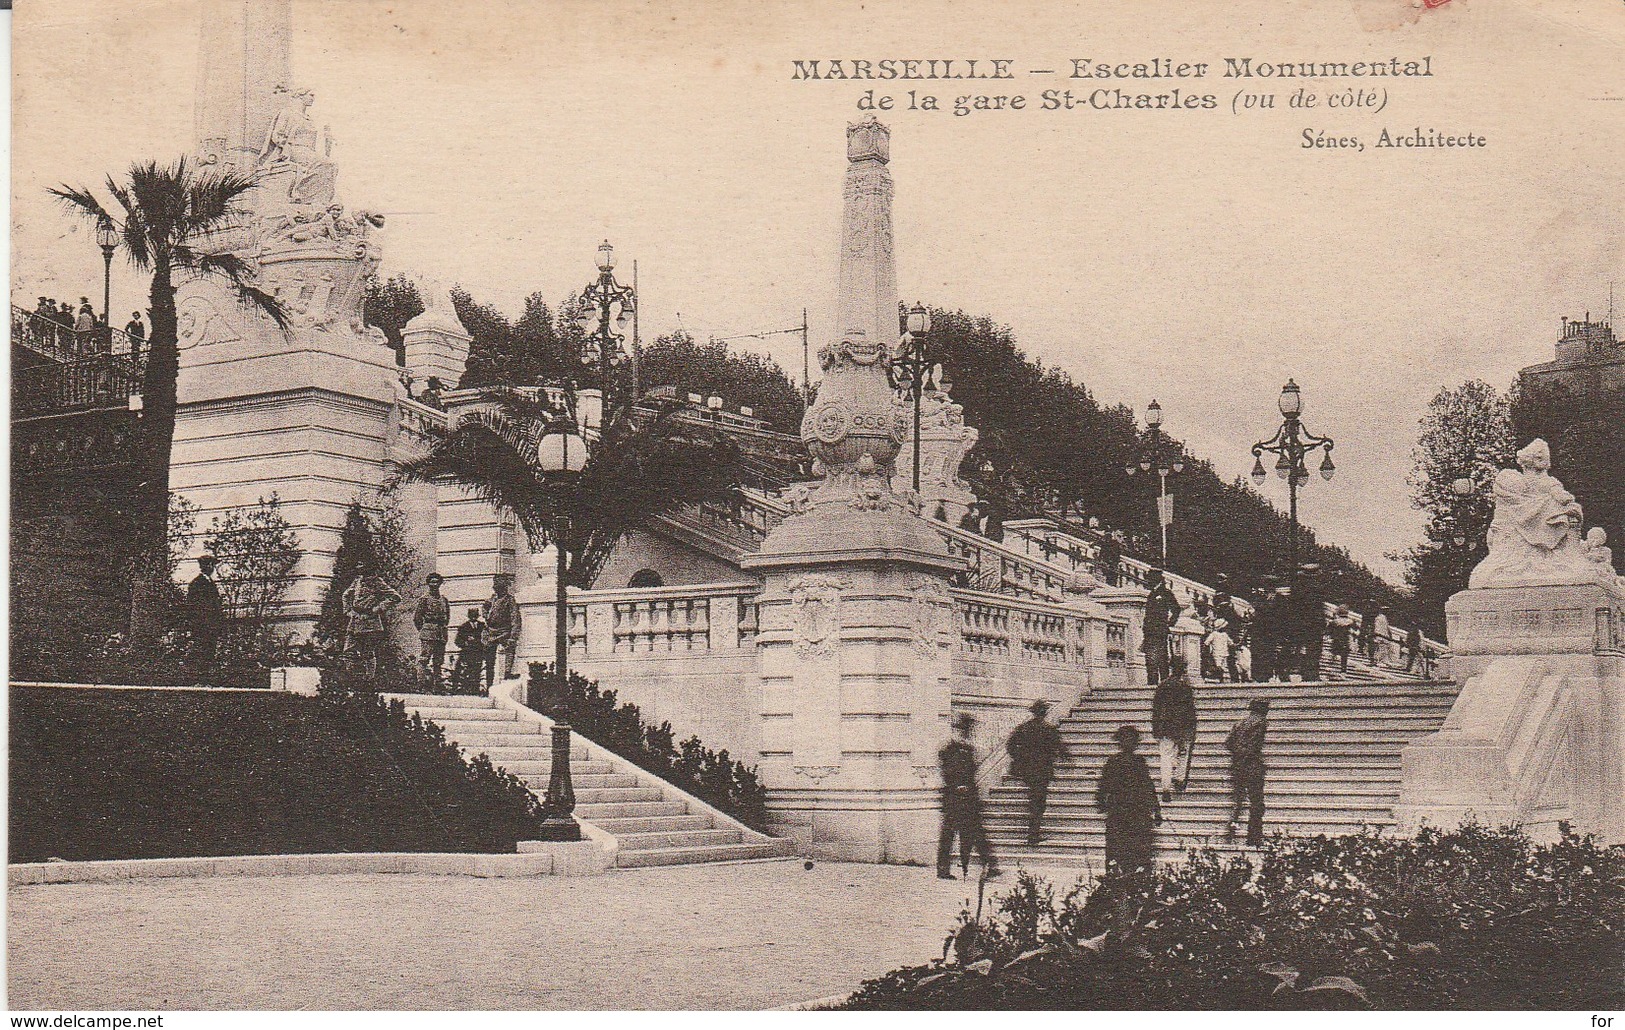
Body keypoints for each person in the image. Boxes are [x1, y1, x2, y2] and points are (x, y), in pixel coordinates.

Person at [937, 713, 999, 880]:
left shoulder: (968, 750)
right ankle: (943, 869)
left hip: (968, 799)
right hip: (954, 798)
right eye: (966, 729)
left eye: (969, 729)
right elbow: (948, 772)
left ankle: (990, 865)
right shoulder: (950, 749)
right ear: (960, 730)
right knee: (949, 835)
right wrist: (958, 786)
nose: (968, 732)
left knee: (977, 833)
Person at [1095, 724, 1162, 876]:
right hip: (1125, 813)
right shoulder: (1120, 762)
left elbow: (1148, 786)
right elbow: (1103, 786)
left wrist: (1156, 809)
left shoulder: (1132, 762)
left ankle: (1128, 878)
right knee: (1122, 849)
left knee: (1128, 849)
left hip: (1131, 813)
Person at [1006, 699, 1065, 845]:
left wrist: (1020, 759)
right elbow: (1061, 748)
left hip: (1028, 771)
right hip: (1042, 771)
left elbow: (1010, 746)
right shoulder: (1048, 729)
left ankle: (1033, 834)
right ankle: (1033, 835)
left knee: (1035, 800)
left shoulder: (1024, 728)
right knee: (1039, 803)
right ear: (1044, 713)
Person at [1151, 655, 1198, 801]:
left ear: (1171, 668)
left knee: (1165, 757)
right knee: (1183, 754)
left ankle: (1165, 788)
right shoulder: (1185, 686)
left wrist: (1156, 728)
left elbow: (1156, 709)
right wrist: (1192, 728)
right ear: (1183, 669)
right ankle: (1179, 779)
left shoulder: (1162, 686)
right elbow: (1190, 709)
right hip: (1183, 727)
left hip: (1165, 727)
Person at [1224, 699, 1270, 846]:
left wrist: (1238, 755)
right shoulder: (1261, 723)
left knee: (1238, 801)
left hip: (1237, 766)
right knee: (1256, 803)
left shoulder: (1240, 723)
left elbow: (1228, 742)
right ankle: (1254, 837)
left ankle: (1231, 828)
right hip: (1252, 767)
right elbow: (1254, 745)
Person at [343, 572, 402, 675]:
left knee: (368, 652)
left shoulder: (377, 582)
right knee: (348, 651)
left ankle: (369, 679)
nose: (359, 569)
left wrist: (377, 608)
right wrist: (348, 611)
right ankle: (350, 678)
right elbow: (346, 595)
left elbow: (395, 597)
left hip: (370, 621)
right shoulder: (358, 580)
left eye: (362, 567)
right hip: (355, 620)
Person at [1140, 570, 1181, 686]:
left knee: (1159, 659)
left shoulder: (1165, 593)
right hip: (1150, 631)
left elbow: (1176, 609)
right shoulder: (1152, 593)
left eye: (1149, 578)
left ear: (1156, 579)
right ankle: (1154, 684)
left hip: (1159, 630)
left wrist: (1169, 623)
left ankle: (1162, 684)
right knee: (1152, 659)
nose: (1147, 581)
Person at [481, 573, 522, 688]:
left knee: (510, 650)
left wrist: (513, 636)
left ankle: (507, 672)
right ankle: (488, 685)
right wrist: (485, 611)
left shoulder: (510, 600)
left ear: (505, 587)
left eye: (500, 585)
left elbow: (515, 619)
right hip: (490, 632)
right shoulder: (491, 599)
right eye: (496, 585)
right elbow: (485, 613)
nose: (497, 588)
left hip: (504, 631)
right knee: (489, 661)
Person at [185, 554, 226, 670]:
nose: (213, 568)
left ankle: (206, 678)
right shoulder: (196, 584)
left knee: (210, 653)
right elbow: (193, 608)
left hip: (212, 626)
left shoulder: (210, 583)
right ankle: (199, 678)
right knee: (201, 653)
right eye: (212, 565)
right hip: (202, 626)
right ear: (206, 566)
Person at [413, 573, 452, 684]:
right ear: (428, 584)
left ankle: (437, 684)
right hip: (428, 631)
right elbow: (417, 618)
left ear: (440, 584)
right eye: (431, 582)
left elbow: (447, 617)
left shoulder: (444, 600)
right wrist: (424, 630)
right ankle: (421, 683)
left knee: (438, 660)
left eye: (436, 582)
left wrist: (442, 627)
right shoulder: (424, 599)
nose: (434, 585)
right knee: (424, 658)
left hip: (441, 632)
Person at [451, 608, 486, 693]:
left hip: (478, 652)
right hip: (467, 652)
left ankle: (475, 690)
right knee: (463, 669)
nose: (473, 617)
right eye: (471, 615)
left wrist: (482, 643)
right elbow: (457, 641)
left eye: (475, 615)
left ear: (477, 616)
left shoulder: (482, 626)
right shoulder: (463, 627)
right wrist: (466, 642)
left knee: (477, 670)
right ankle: (460, 688)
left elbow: (486, 638)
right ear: (469, 616)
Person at [1204, 618, 1234, 684]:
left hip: (1225, 653)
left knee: (1224, 667)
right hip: (1217, 654)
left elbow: (1231, 643)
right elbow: (1206, 642)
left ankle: (1224, 680)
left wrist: (1235, 645)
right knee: (1218, 666)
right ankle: (1218, 679)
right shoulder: (1213, 634)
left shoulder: (1225, 635)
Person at [1328, 605, 1354, 676]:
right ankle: (1343, 670)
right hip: (1346, 640)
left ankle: (1331, 668)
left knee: (1334, 653)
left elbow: (1329, 631)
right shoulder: (1351, 621)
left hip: (1336, 639)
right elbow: (1354, 631)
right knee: (1344, 656)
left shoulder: (1334, 622)